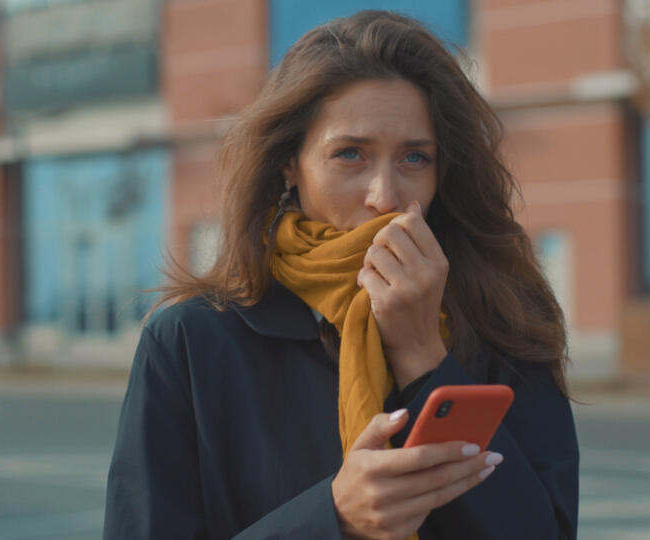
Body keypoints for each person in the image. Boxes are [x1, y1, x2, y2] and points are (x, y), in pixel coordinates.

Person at [104, 10, 578, 540]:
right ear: (289, 162)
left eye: (415, 158)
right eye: (350, 154)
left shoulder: (506, 319)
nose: (386, 195)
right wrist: (332, 518)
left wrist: (424, 357)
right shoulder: (192, 341)